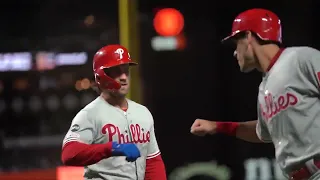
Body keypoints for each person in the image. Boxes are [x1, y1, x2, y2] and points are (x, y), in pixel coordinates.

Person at [190, 8, 320, 180]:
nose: (235, 52)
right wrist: (217, 126)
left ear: (249, 36)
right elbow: (263, 133)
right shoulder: (264, 87)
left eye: (237, 42)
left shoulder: (301, 58)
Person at [61, 45, 166, 180]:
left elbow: (152, 162)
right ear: (99, 78)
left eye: (126, 71)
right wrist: (112, 148)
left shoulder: (143, 113)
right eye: (116, 72)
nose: (124, 77)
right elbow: (69, 154)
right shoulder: (89, 114)